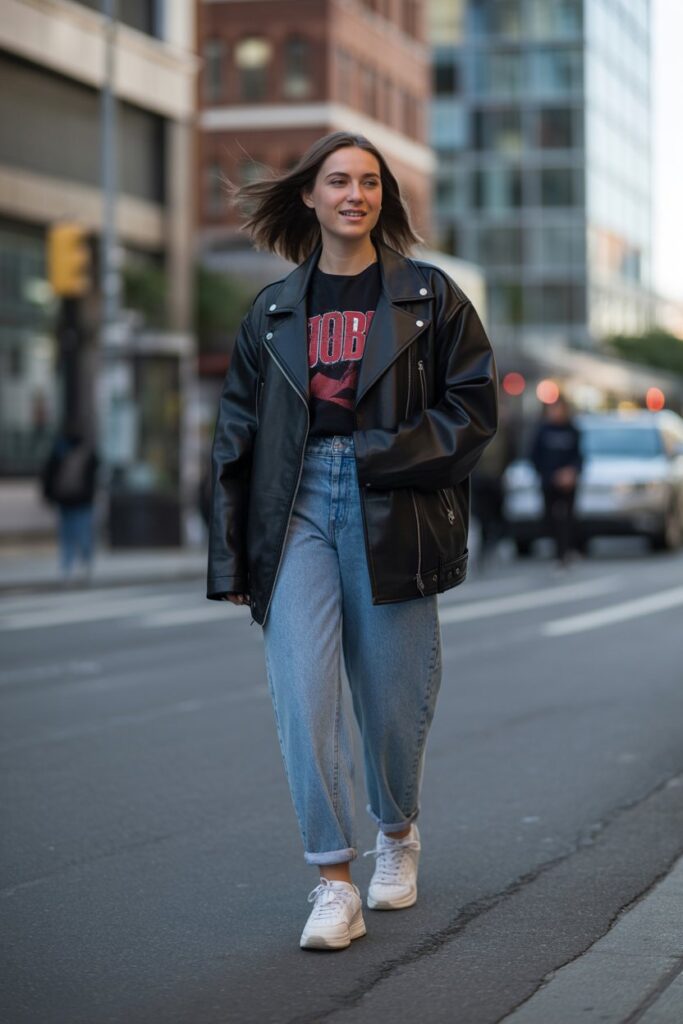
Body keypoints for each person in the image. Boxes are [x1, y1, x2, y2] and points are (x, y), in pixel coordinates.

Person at [207, 132, 498, 951]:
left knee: (393, 705)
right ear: (309, 195)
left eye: (369, 182)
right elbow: (236, 438)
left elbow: (472, 411)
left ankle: (396, 832)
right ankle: (333, 881)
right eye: (338, 181)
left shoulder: (429, 297)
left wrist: (378, 456)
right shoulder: (270, 312)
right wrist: (233, 555)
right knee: (302, 694)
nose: (354, 194)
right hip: (295, 506)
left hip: (390, 504)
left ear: (382, 199)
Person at [530, 396, 583, 565]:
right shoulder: (543, 431)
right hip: (548, 482)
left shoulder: (573, 430)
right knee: (549, 518)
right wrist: (548, 475)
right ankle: (556, 548)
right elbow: (534, 456)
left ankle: (565, 551)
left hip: (568, 484)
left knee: (567, 518)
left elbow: (579, 457)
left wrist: (571, 473)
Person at [42, 428, 99, 581]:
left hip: (65, 500)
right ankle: (82, 563)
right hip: (81, 501)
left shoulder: (59, 451)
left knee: (67, 535)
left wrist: (48, 496)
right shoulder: (87, 452)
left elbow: (48, 474)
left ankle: (68, 566)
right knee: (81, 533)